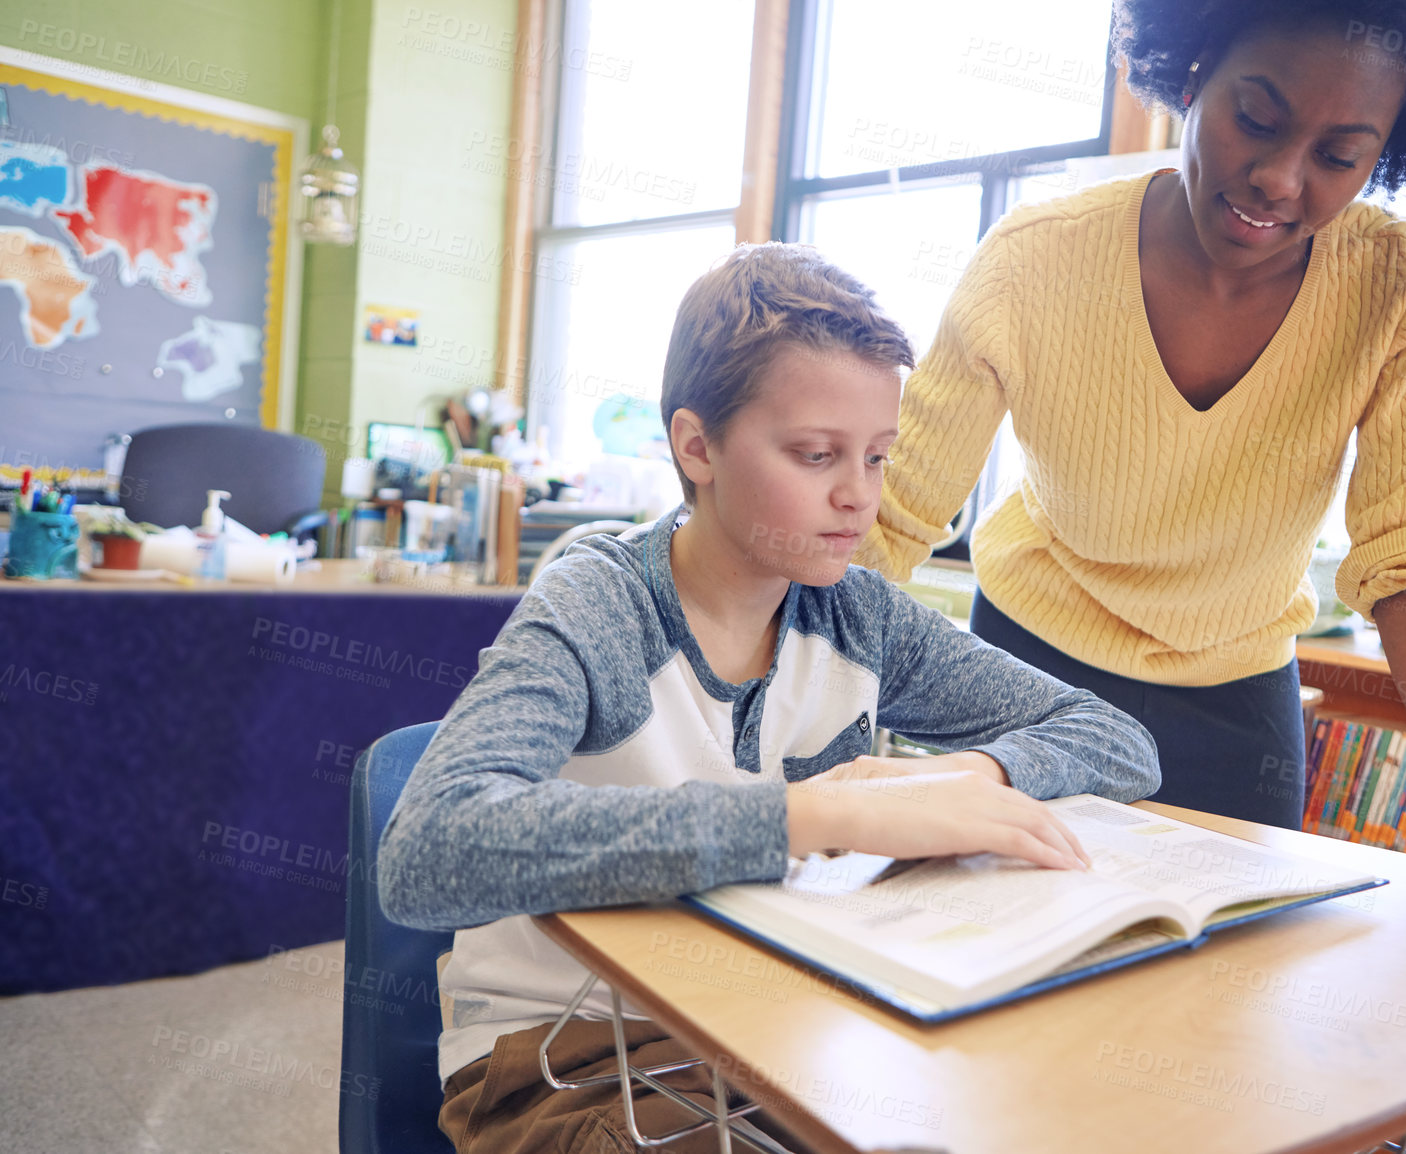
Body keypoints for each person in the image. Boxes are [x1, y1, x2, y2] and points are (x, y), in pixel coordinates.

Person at [853, 0, 1406, 978]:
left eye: (1339, 153)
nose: (1280, 178)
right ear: (1193, 74)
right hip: (1028, 679)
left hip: (1234, 709)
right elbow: (888, 511)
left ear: (1390, 152)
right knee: (994, 981)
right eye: (1258, 116)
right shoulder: (1032, 261)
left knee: (1210, 1017)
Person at [377, 243, 1160, 1154]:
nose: (858, 498)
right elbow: (427, 854)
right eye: (817, 454)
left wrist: (960, 776)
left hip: (783, 1032)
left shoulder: (857, 616)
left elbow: (1116, 740)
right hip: (570, 1060)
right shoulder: (597, 603)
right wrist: (814, 816)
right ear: (696, 445)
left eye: (877, 456)